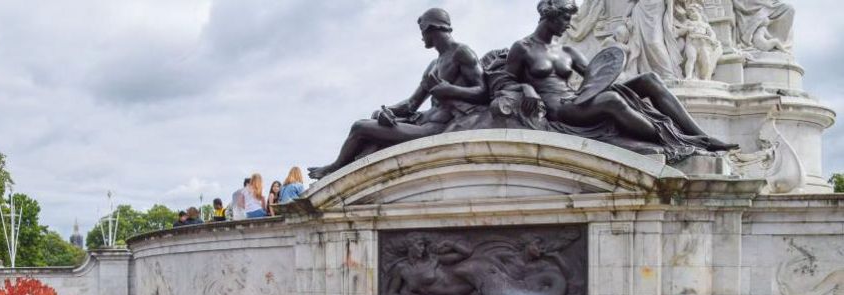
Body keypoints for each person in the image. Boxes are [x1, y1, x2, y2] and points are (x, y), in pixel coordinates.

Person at [502, 0, 737, 163]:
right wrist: (527, 87)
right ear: (549, 16)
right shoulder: (523, 48)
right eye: (565, 17)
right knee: (611, 99)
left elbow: (595, 74)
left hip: (576, 98)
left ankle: (702, 137)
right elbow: (503, 81)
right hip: (560, 109)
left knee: (649, 80)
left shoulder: (566, 51)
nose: (569, 23)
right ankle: (677, 140)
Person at [307, 8, 488, 180]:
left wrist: (450, 90)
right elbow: (411, 104)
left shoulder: (462, 53)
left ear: (430, 28)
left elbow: (483, 92)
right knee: (375, 120)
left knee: (360, 128)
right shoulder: (434, 65)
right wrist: (387, 111)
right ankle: (344, 175)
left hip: (436, 128)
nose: (421, 37)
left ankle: (335, 168)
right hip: (422, 120)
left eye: (422, 31)